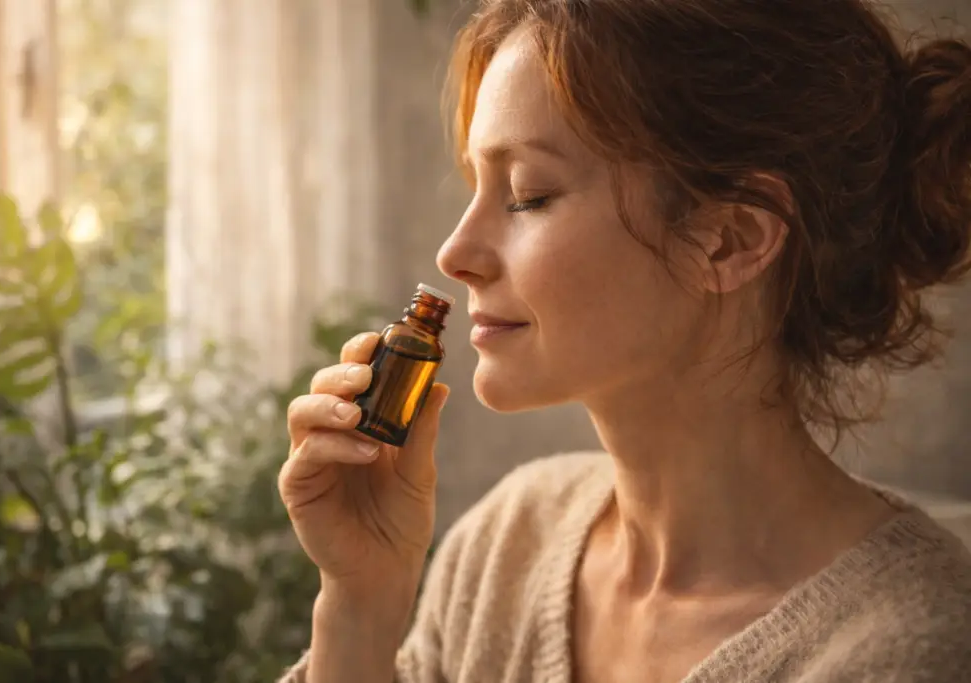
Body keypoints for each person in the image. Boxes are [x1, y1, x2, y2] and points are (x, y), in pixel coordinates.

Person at [277, 0, 971, 681]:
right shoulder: (507, 543)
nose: (455, 253)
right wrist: (360, 606)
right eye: (474, 185)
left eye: (528, 194)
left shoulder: (910, 649)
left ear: (730, 240)